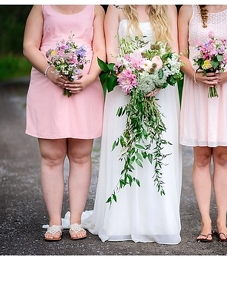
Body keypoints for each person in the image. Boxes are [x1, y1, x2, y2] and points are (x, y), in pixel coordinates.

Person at [83, 4, 182, 244]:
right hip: (124, 88)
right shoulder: (116, 7)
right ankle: (121, 220)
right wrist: (132, 76)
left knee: (158, 150)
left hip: (161, 91)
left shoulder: (167, 7)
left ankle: (159, 222)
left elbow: (173, 51)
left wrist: (159, 79)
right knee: (125, 149)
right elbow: (111, 53)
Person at [22, 5, 105, 241]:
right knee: (51, 156)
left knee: (81, 155)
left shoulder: (95, 8)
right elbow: (29, 45)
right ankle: (55, 222)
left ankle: (76, 220)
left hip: (85, 86)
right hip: (47, 84)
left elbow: (100, 49)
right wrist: (50, 71)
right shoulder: (41, 5)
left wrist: (89, 79)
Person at [178, 5, 227, 242]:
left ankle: (222, 221)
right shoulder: (188, 9)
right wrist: (197, 74)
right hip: (197, 87)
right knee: (201, 156)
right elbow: (180, 54)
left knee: (222, 156)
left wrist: (226, 75)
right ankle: (206, 222)